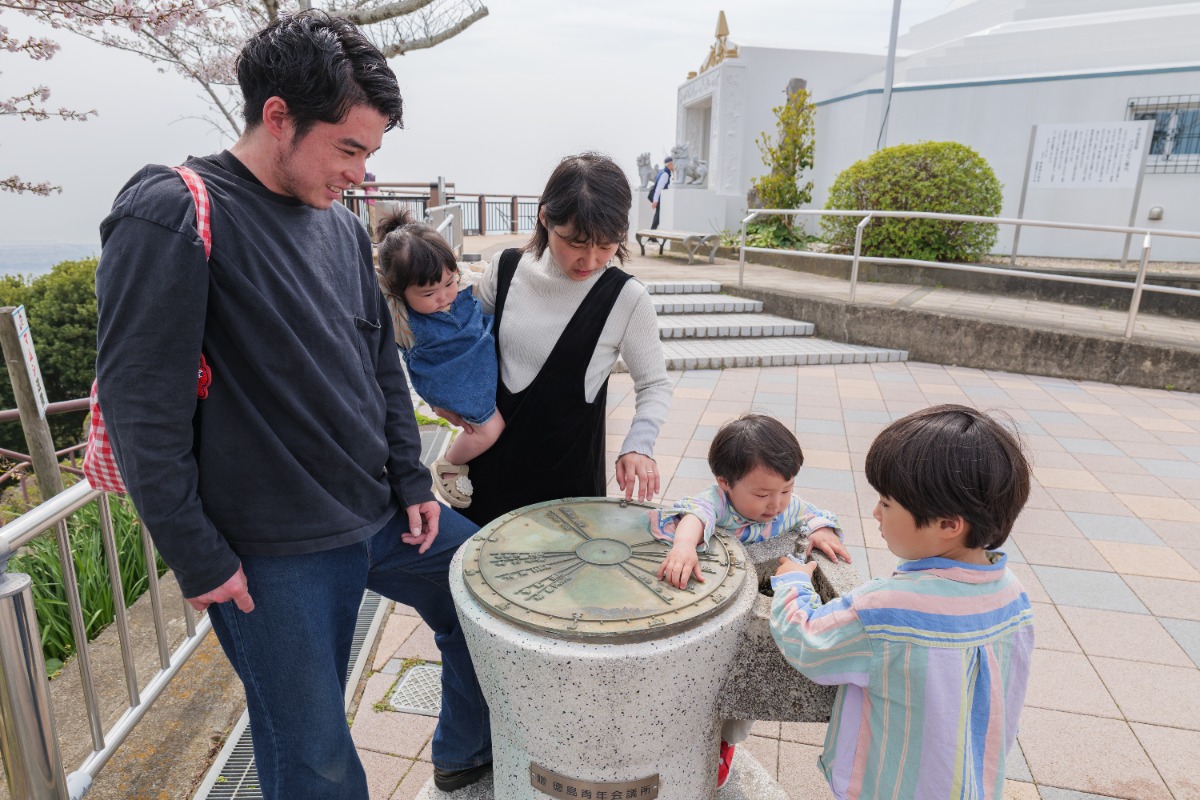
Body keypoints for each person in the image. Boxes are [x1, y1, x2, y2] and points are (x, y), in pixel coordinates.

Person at [94, 13, 491, 797]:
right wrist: (198, 555)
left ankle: (462, 752)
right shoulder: (172, 210)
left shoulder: (341, 232)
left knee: (489, 605)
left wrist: (412, 478)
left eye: (371, 154)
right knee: (314, 757)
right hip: (271, 554)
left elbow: (379, 360)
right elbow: (145, 411)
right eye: (349, 149)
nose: (362, 175)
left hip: (379, 511)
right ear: (278, 117)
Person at [770, 404, 1034, 800]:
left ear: (948, 524)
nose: (875, 512)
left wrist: (792, 581)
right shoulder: (1013, 595)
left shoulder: (887, 608)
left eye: (887, 504)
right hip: (969, 781)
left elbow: (809, 641)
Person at [453, 153, 672, 526]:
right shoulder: (505, 270)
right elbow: (462, 343)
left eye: (606, 245)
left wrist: (639, 445)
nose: (590, 260)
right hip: (485, 476)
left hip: (568, 493)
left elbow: (654, 384)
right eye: (576, 242)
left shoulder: (627, 298)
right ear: (545, 218)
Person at [647, 413, 852, 788]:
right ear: (725, 483)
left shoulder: (785, 504)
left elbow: (807, 514)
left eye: (786, 489)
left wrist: (819, 530)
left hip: (752, 608)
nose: (776, 504)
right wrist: (682, 546)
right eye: (761, 494)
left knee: (737, 704)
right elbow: (695, 515)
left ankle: (725, 744)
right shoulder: (716, 503)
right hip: (710, 611)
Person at [375, 208, 504, 508]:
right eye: (429, 293)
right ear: (400, 292)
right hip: (453, 382)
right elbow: (375, 286)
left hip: (477, 370)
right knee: (490, 429)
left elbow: (457, 279)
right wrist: (387, 255)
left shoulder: (456, 284)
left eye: (448, 283)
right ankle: (447, 465)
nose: (444, 296)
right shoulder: (402, 320)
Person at [648, 156, 673, 232]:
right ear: (669, 164)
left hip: (659, 198)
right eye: (673, 164)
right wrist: (655, 200)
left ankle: (652, 235)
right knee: (658, 217)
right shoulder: (665, 174)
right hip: (660, 198)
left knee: (658, 216)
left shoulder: (662, 172)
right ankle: (652, 235)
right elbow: (659, 188)